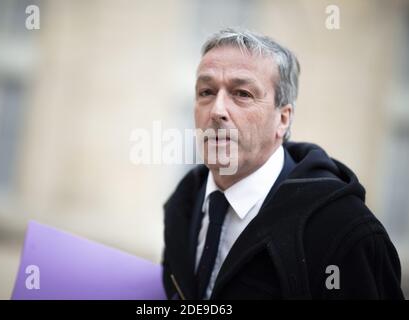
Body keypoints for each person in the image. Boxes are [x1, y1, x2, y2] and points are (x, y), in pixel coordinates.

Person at [161, 28, 404, 299]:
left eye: (242, 93)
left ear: (283, 119)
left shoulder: (342, 231)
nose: (217, 110)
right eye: (206, 91)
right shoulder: (183, 203)